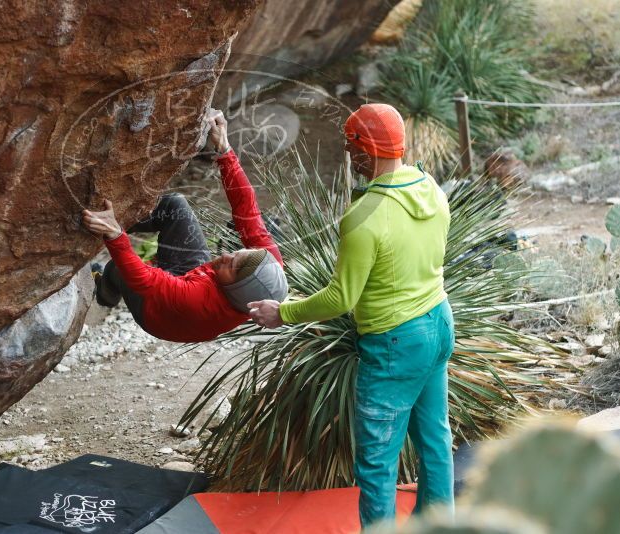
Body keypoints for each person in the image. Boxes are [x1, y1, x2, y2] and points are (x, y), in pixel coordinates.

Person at [249, 103, 455, 528]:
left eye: (351, 145)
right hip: (438, 321)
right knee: (435, 441)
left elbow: (341, 298)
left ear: (367, 150)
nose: (347, 153)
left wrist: (282, 312)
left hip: (396, 344)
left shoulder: (364, 217)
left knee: (378, 463)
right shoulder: (432, 189)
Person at [81, 109, 287, 343]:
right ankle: (105, 217)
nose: (226, 255)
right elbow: (246, 210)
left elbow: (144, 279)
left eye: (231, 266)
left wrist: (115, 235)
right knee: (175, 206)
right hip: (194, 278)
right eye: (237, 253)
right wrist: (225, 150)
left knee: (121, 269)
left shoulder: (197, 299)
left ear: (234, 291)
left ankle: (106, 292)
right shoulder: (266, 263)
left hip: (158, 316)